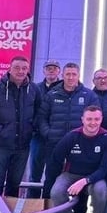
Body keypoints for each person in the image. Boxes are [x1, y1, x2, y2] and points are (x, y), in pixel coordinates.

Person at [49, 106, 107, 213]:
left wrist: (85, 181)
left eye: (96, 119)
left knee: (100, 190)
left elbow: (104, 169)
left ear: (101, 119)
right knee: (56, 191)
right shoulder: (72, 136)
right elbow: (55, 159)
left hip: (95, 176)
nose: (93, 123)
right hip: (71, 173)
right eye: (89, 119)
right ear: (82, 120)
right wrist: (53, 180)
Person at [38, 62, 100, 197]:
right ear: (62, 75)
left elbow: (96, 118)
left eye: (74, 74)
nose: (71, 77)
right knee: (51, 178)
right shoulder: (52, 94)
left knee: (78, 180)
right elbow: (41, 118)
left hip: (80, 145)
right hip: (55, 143)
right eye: (68, 74)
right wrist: (48, 134)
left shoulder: (89, 95)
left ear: (78, 75)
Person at [0, 56, 41, 197]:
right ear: (9, 68)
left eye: (24, 68)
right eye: (17, 68)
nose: (21, 71)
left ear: (28, 70)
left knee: (14, 184)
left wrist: (32, 128)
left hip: (22, 147)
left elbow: (39, 111)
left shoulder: (34, 89)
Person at [30, 59, 61, 196]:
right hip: (38, 136)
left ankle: (49, 208)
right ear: (43, 71)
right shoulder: (35, 88)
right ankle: (33, 206)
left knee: (53, 173)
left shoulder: (63, 88)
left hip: (55, 137)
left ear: (59, 71)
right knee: (35, 173)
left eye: (54, 68)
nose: (51, 70)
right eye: (48, 68)